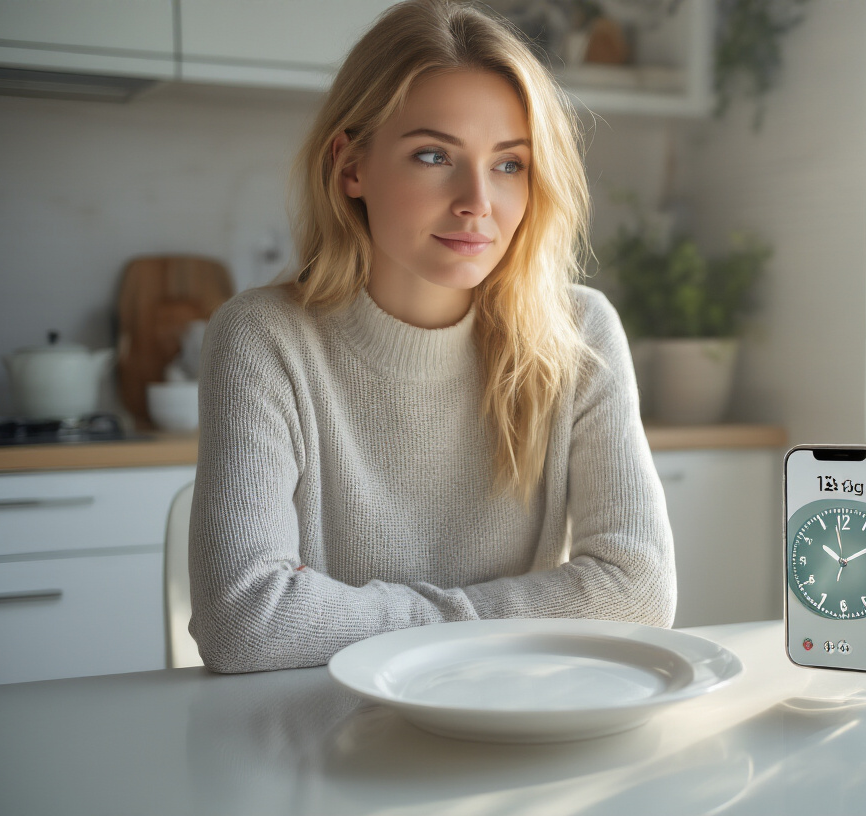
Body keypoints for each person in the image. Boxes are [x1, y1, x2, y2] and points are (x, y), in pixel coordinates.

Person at [188, 0, 676, 673]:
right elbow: (244, 620)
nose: (477, 198)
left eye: (509, 164)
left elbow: (638, 593)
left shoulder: (580, 332)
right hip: (328, 737)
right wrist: (497, 615)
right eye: (432, 155)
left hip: (519, 725)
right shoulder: (263, 339)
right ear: (351, 166)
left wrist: (380, 618)